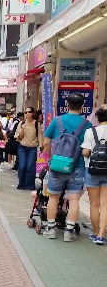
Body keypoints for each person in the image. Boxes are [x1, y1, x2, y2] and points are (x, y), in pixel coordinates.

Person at [42, 93, 91, 241]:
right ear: (82, 107)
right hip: (77, 166)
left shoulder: (57, 121)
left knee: (53, 197)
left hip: (57, 165)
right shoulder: (86, 124)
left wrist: (51, 158)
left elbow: (46, 142)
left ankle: (50, 229)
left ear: (66, 106)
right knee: (74, 198)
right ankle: (68, 232)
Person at [82, 107, 107, 245]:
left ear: (98, 118)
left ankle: (96, 232)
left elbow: (86, 152)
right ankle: (101, 235)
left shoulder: (90, 132)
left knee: (94, 204)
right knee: (105, 204)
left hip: (91, 170)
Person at [16, 108, 40, 190]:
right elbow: (19, 137)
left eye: (29, 112)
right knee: (22, 165)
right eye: (25, 112)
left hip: (32, 148)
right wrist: (23, 129)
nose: (27, 114)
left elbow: (40, 136)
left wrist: (42, 148)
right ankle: (21, 183)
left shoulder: (36, 124)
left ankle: (29, 185)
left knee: (30, 166)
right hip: (22, 147)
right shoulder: (21, 123)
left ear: (33, 113)